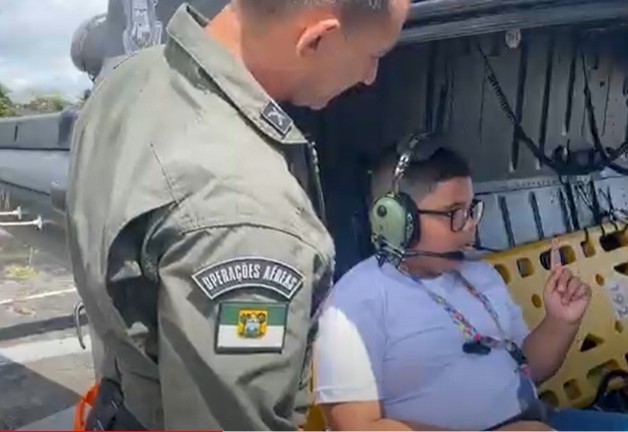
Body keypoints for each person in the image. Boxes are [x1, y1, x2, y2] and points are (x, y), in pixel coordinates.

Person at [65, 0, 409, 430]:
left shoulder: (127, 80)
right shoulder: (249, 215)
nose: (371, 76)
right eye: (373, 55)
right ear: (316, 39)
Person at [312, 135, 628, 431]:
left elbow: (530, 369)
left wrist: (560, 321)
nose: (469, 227)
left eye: (471, 210)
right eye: (453, 213)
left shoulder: (477, 274)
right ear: (395, 221)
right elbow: (358, 428)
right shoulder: (356, 303)